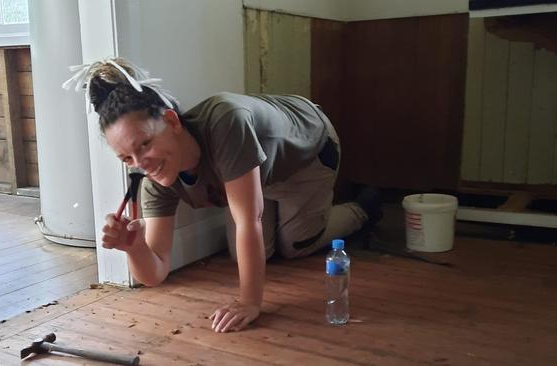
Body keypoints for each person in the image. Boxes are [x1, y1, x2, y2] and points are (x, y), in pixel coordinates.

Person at [64, 58, 381, 333]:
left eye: (144, 144)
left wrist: (249, 302)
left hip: (308, 151)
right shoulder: (154, 179)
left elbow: (249, 220)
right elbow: (155, 272)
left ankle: (363, 209)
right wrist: (133, 249)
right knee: (254, 251)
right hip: (258, 171)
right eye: (127, 158)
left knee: (294, 244)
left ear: (172, 122)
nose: (140, 164)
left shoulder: (226, 121)